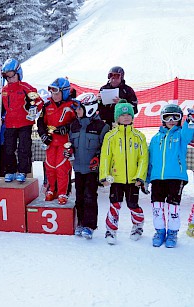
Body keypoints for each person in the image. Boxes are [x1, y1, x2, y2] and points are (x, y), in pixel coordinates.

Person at [99, 100, 148, 245]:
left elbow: (143, 158)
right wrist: (104, 176)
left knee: (133, 204)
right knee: (115, 204)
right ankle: (111, 230)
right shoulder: (110, 136)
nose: (126, 117)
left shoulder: (139, 136)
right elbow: (106, 156)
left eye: (128, 114)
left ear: (133, 117)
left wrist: (140, 176)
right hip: (116, 178)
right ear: (117, 118)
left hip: (133, 179)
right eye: (122, 115)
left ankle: (138, 225)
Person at [147, 105, 194, 248]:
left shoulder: (181, 135)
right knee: (157, 206)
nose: (171, 120)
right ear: (162, 119)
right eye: (168, 117)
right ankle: (160, 231)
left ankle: (172, 233)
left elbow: (188, 133)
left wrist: (190, 120)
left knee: (173, 207)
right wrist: (146, 180)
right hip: (157, 178)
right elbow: (151, 161)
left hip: (176, 177)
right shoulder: (155, 139)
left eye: (176, 117)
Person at [69, 93, 110, 239]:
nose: (77, 111)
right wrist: (69, 151)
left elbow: (105, 149)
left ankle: (90, 225)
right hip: (78, 168)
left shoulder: (102, 127)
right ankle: (80, 222)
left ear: (90, 108)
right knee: (79, 196)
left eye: (79, 108)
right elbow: (70, 143)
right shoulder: (74, 125)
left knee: (90, 196)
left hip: (93, 170)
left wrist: (98, 158)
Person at [1, 58, 44, 183]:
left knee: (24, 148)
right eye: (7, 77)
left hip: (24, 123)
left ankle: (23, 171)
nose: (10, 80)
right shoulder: (4, 90)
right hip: (10, 123)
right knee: (9, 148)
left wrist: (34, 108)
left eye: (12, 76)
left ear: (18, 74)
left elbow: (39, 101)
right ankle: (10, 170)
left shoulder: (26, 88)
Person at [37, 77, 76, 205]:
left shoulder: (72, 106)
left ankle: (62, 192)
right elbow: (40, 122)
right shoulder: (47, 105)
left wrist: (67, 127)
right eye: (53, 93)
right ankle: (51, 190)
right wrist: (43, 135)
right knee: (50, 166)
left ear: (64, 92)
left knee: (61, 167)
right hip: (51, 142)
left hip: (65, 142)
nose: (54, 95)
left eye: (57, 93)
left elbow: (78, 122)